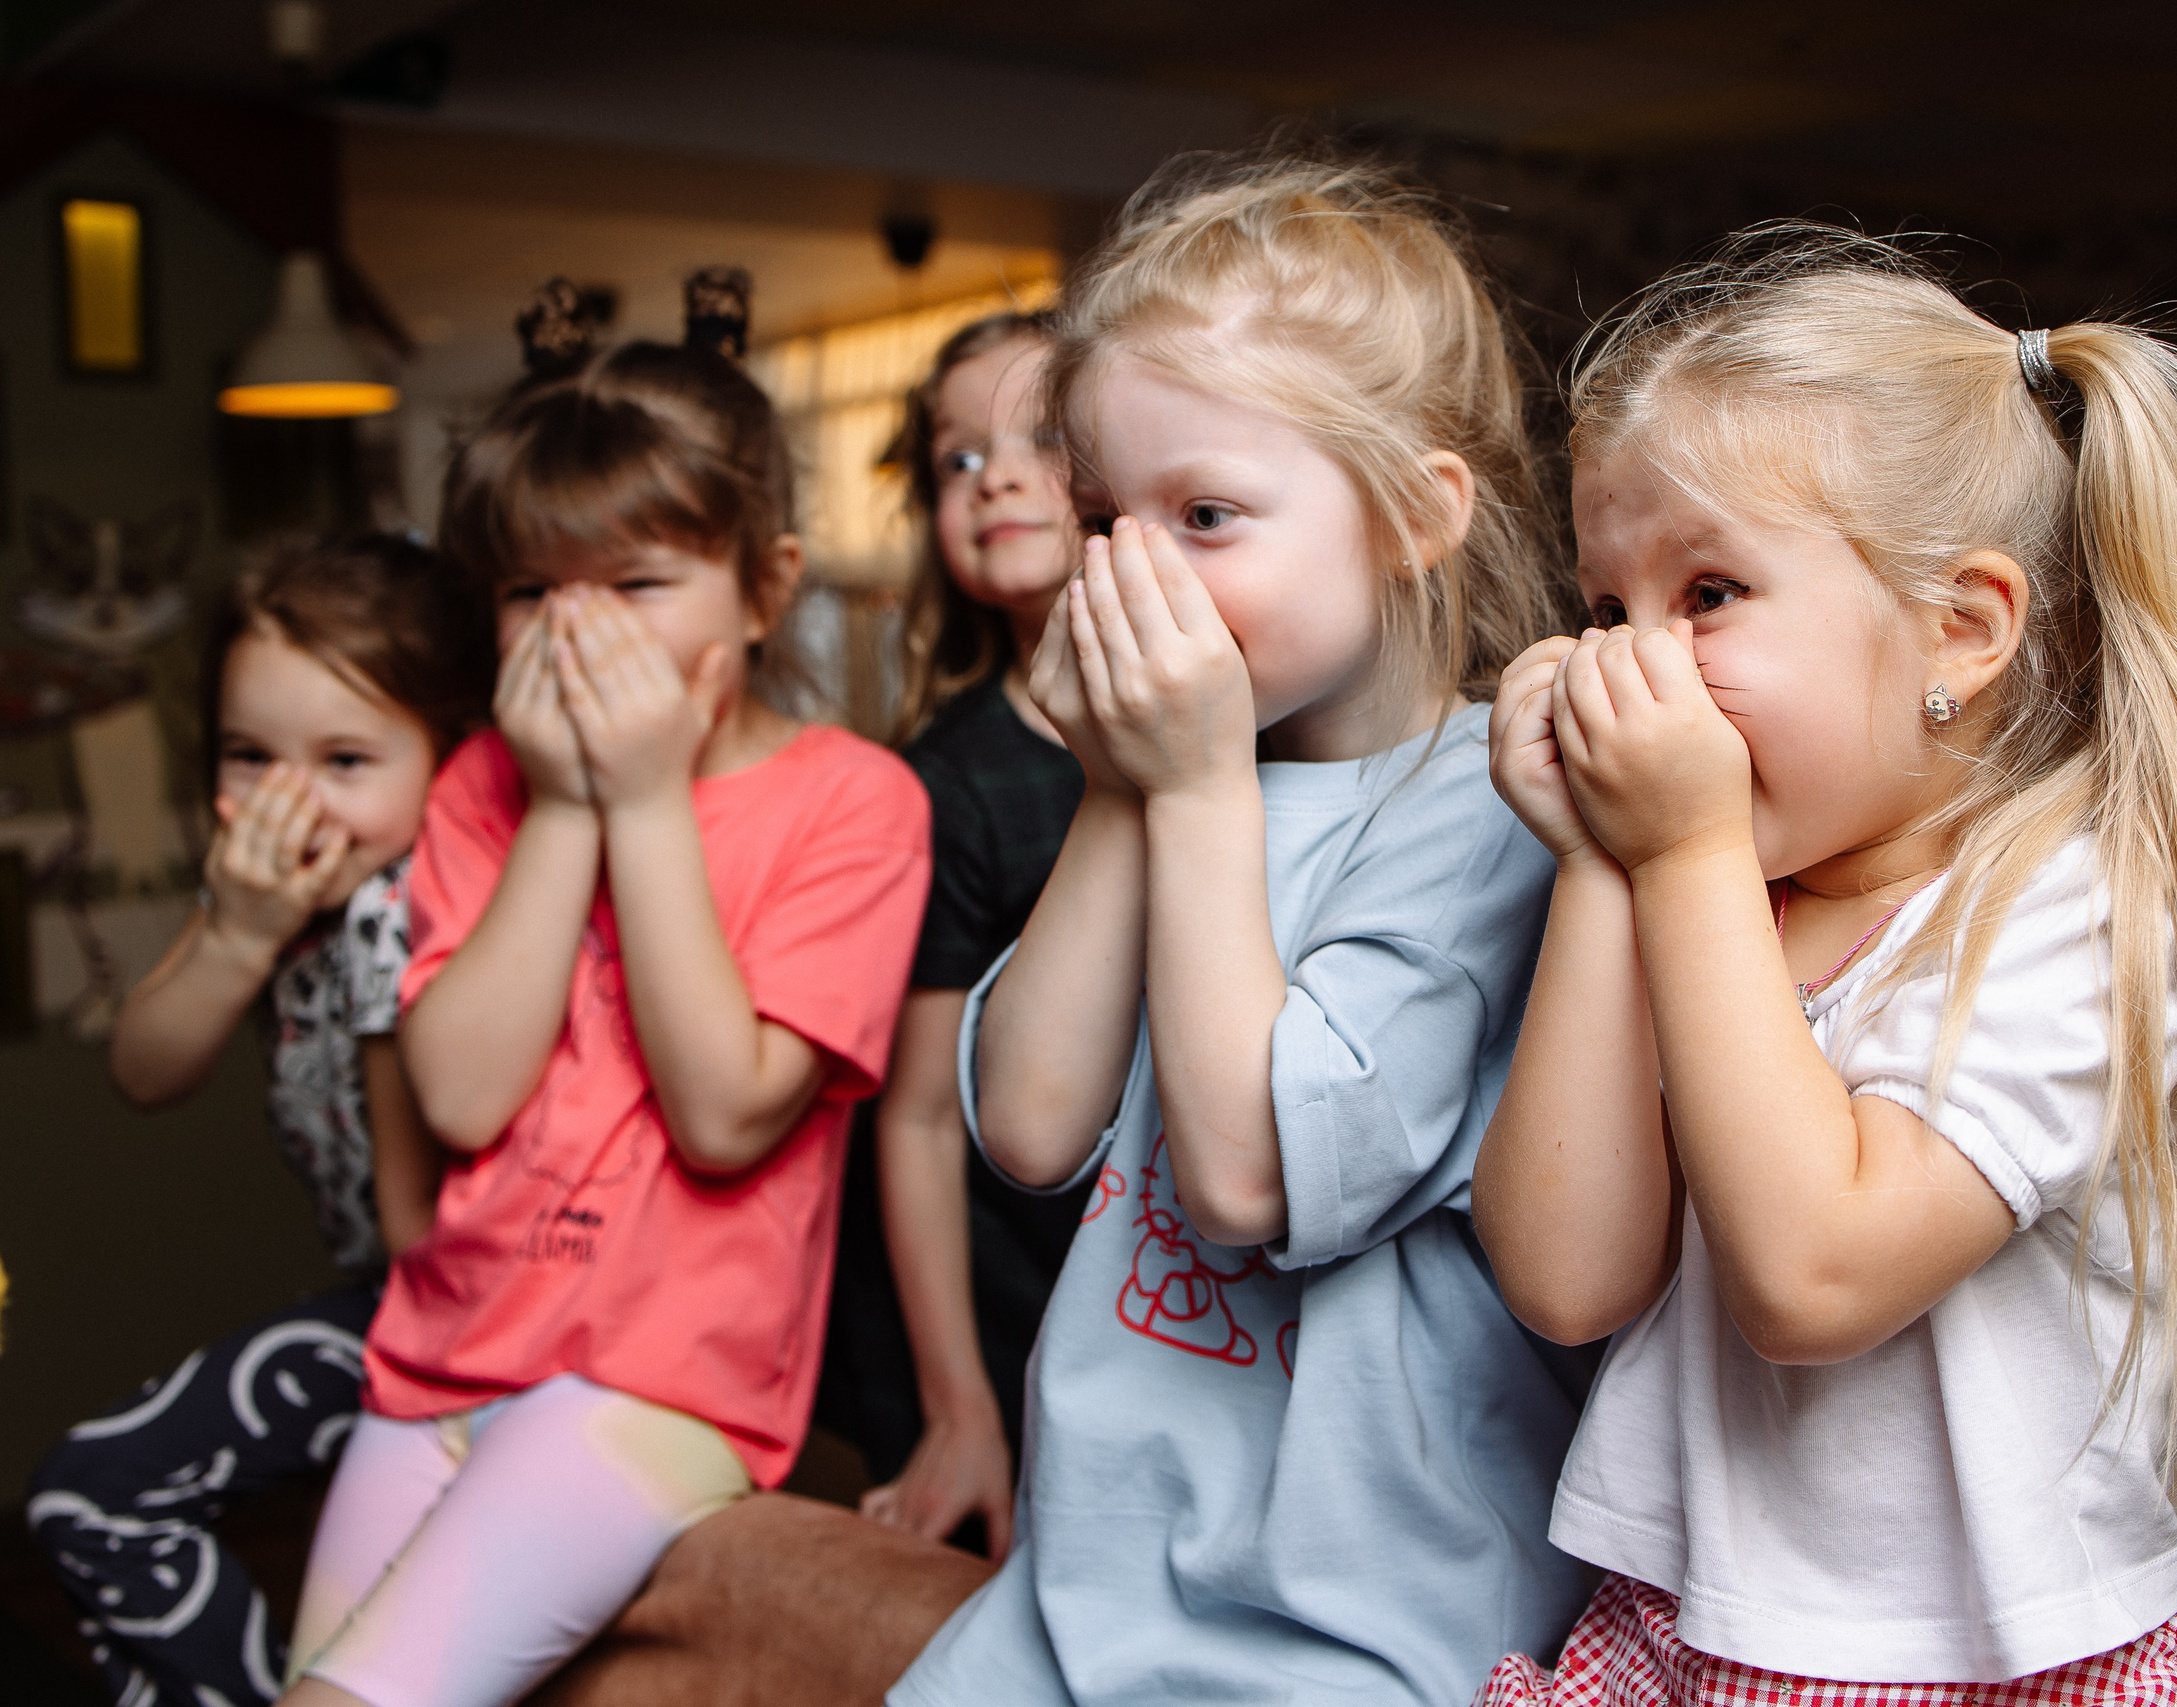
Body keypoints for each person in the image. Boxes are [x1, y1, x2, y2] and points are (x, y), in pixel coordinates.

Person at [1471, 227, 2177, 1704]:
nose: (1636, 665)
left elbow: (1817, 1273)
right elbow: (1565, 1277)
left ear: (1962, 627)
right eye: (1606, 605)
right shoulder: (1709, 896)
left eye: (1709, 595)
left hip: (1975, 1665)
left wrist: (1678, 856)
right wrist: (1594, 863)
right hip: (1683, 1621)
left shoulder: (2072, 911)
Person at [892, 153, 1591, 1707]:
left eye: (1204, 513)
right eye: (1106, 519)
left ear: (1415, 515)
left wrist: (1196, 780)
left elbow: (1249, 1177)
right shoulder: (1169, 782)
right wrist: (1120, 791)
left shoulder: (1492, 803)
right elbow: (1021, 1119)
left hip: (1364, 1617)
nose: (1135, 571)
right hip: (1086, 1583)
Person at [274, 329, 932, 1707]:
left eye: (639, 581)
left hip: (657, 1384)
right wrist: (567, 801)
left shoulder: (852, 800)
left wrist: (640, 799)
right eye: (532, 593)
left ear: (767, 588)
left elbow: (724, 1110)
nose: (581, 632)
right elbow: (461, 1094)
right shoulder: (481, 785)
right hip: (432, 1354)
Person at [27, 534, 488, 1707]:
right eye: (249, 756)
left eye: (343, 758)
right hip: (385, 1297)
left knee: (91, 1494)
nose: (290, 803)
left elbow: (409, 1222)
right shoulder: (272, 895)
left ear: (454, 754)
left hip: (449, 1314)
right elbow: (146, 1067)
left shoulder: (407, 904)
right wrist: (232, 933)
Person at [818, 308, 1088, 1559]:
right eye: (957, 458)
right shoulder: (942, 786)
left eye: (1040, 435)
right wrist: (959, 1408)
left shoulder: (1255, 734)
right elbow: (917, 1115)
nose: (996, 479)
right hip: (1002, 1306)